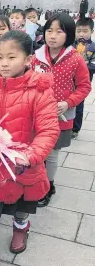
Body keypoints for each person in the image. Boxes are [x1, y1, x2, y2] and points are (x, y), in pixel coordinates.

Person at [0, 30, 61, 266]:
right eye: (0, 57)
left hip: (21, 164)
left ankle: (21, 228)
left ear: (28, 60)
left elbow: (49, 130)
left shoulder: (39, 91)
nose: (4, 64)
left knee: (20, 207)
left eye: (11, 57)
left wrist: (30, 155)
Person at [31, 13, 92, 207]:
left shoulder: (76, 59)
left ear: (69, 35)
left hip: (62, 115)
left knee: (53, 153)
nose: (53, 36)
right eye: (49, 31)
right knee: (38, 150)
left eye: (59, 31)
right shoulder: (36, 57)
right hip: (37, 114)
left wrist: (68, 102)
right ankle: (36, 182)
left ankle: (49, 185)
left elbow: (84, 87)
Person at [73, 18, 95, 139]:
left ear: (92, 31)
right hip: (68, 80)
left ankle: (75, 129)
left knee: (79, 105)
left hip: (83, 82)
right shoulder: (70, 45)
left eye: (85, 31)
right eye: (79, 30)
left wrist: (82, 65)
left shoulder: (93, 47)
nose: (81, 34)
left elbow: (93, 66)